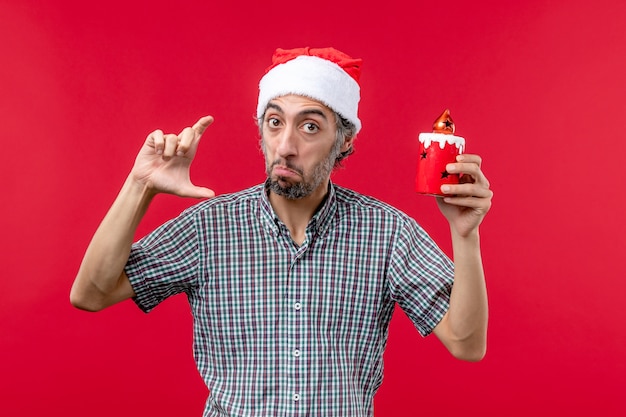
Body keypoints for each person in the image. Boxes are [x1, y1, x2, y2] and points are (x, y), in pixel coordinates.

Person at [71, 47, 493, 417]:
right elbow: (91, 293)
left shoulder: (387, 233)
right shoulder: (210, 227)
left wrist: (465, 234)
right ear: (261, 131)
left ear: (343, 141)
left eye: (310, 126)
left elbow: (466, 343)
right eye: (274, 122)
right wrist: (141, 185)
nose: (286, 145)